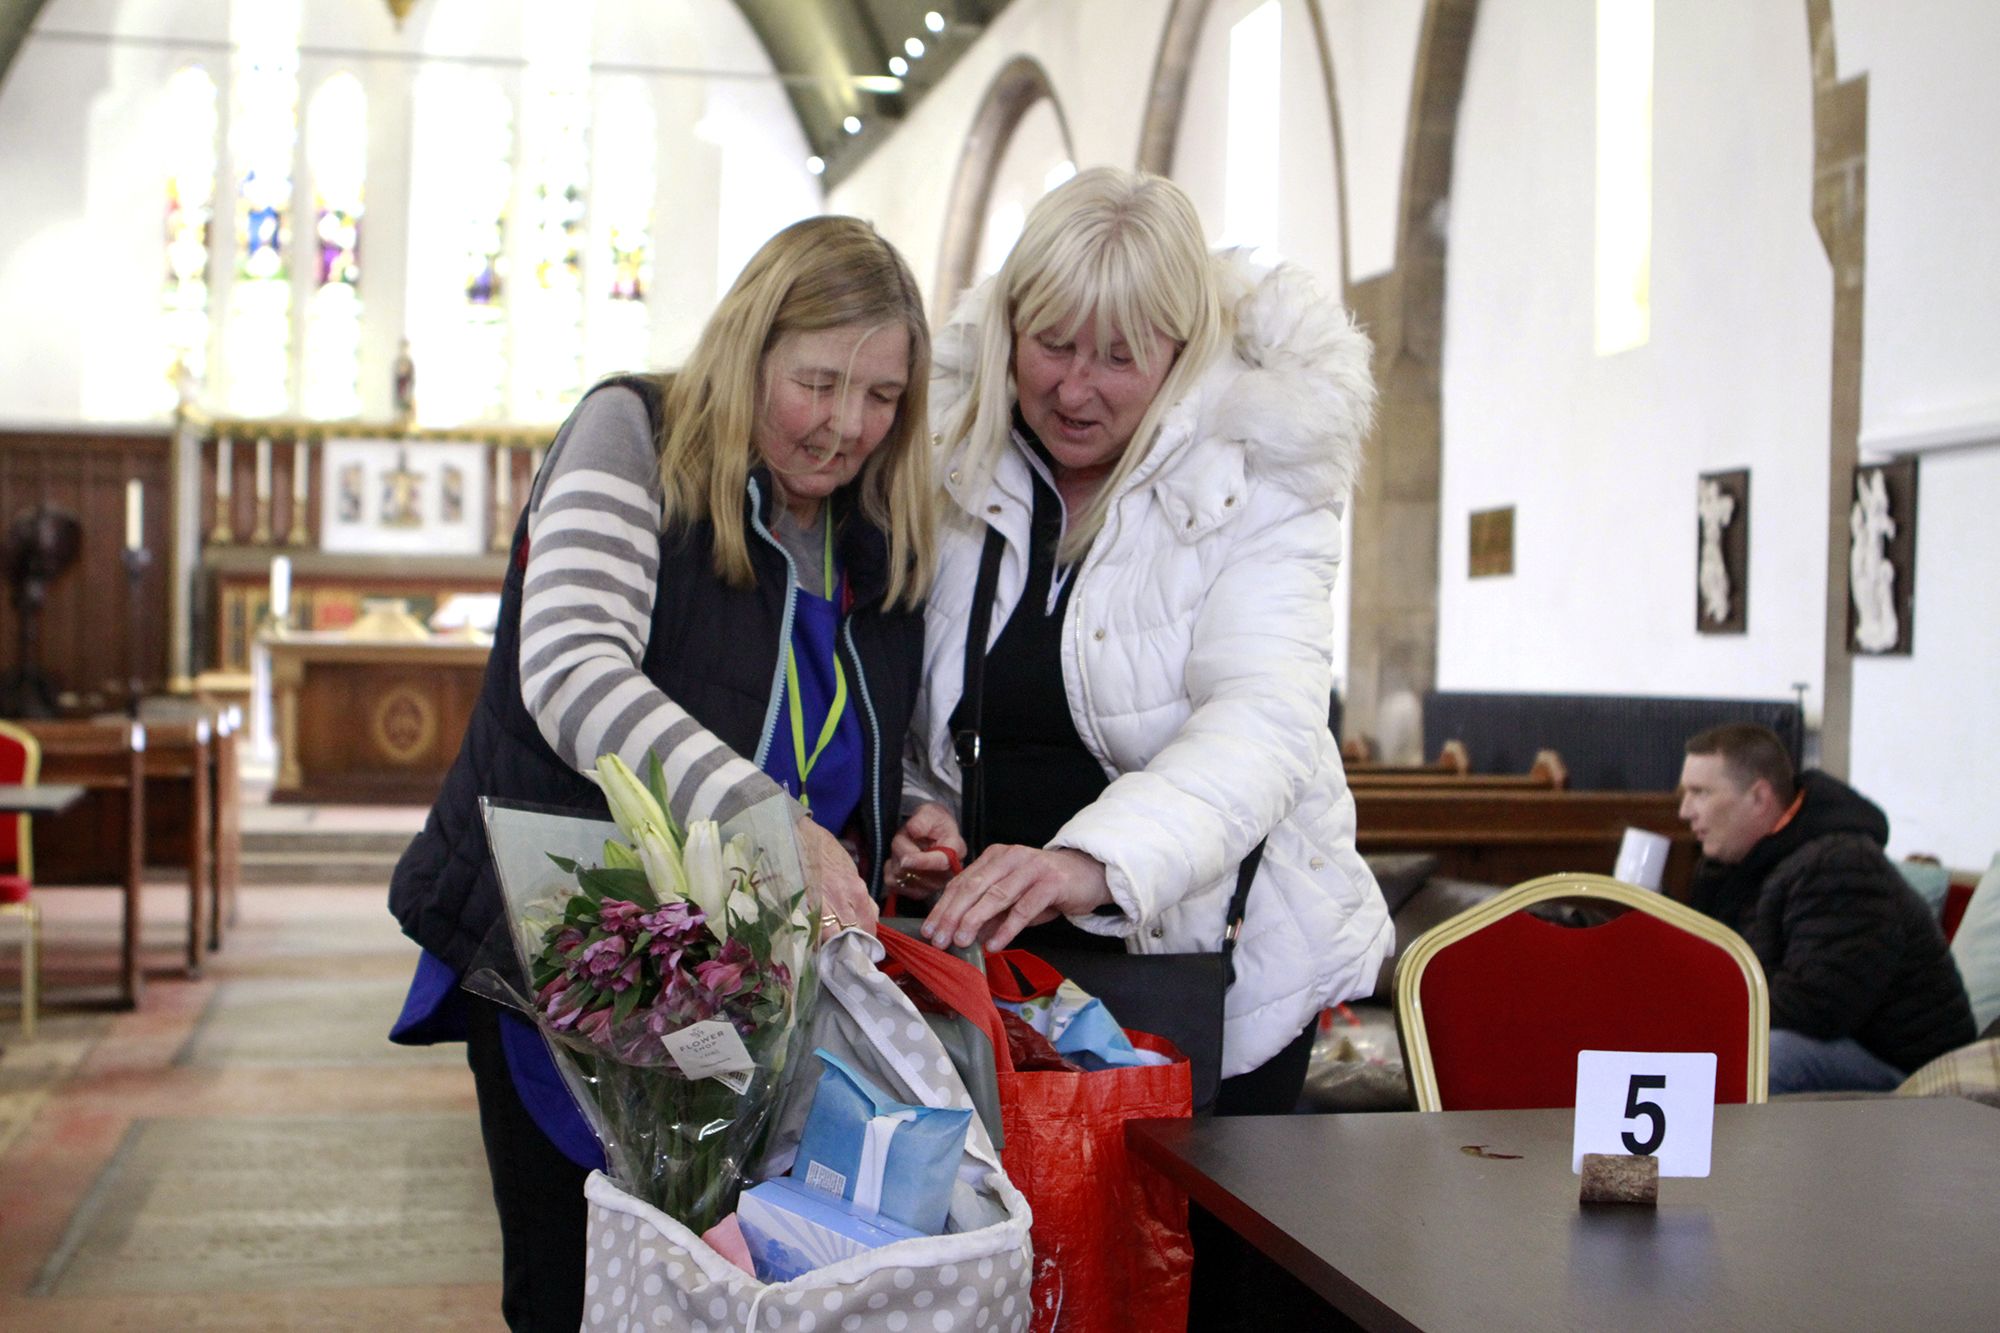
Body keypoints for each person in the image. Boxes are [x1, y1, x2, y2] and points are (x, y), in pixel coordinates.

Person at [387, 215, 935, 1332]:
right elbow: (573, 670)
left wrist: (913, 816)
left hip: (765, 980)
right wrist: (772, 821)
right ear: (748, 347)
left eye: (881, 396)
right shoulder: (631, 432)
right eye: (817, 382)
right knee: (582, 1284)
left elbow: (867, 722)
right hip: (587, 944)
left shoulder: (872, 517)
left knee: (737, 1288)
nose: (845, 426)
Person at [885, 167, 1392, 1327]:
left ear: (1182, 349)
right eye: (1048, 343)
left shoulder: (1262, 469)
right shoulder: (956, 454)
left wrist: (1084, 862)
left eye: (1118, 357)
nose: (1072, 387)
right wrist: (928, 812)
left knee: (1184, 1289)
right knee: (1032, 1277)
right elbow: (926, 708)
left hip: (1206, 966)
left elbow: (1263, 723)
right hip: (1009, 969)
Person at [1678, 723, 1974, 1094]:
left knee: (1764, 1058)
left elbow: (1817, 1005)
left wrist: (1702, 1010)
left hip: (1906, 1070)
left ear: (1758, 797)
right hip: (1838, 1045)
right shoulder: (1735, 866)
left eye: (1700, 793)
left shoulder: (1842, 864)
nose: (1684, 811)